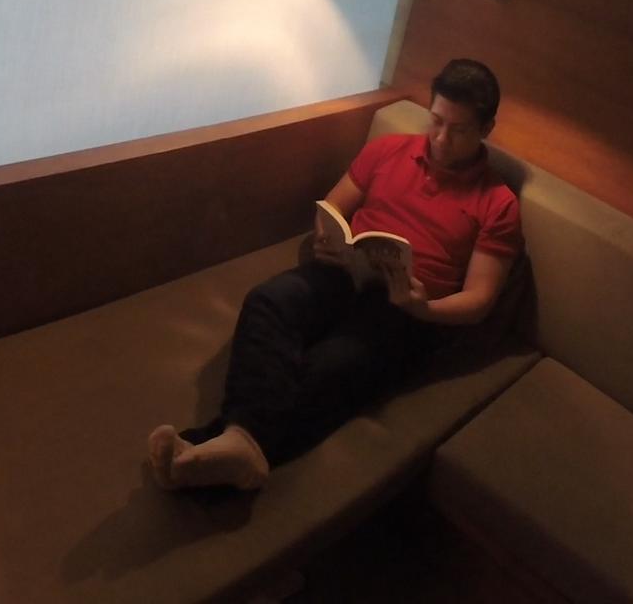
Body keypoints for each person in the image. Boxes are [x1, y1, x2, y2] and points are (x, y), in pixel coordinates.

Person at [147, 59, 523, 491]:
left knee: (333, 364)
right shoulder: (389, 150)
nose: (440, 138)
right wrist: (327, 238)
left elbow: (479, 300)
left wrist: (426, 307)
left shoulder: (497, 203)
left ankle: (207, 452)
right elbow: (333, 206)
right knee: (268, 301)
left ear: (485, 129)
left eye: (458, 130)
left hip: (407, 307)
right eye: (436, 121)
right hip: (347, 270)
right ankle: (230, 452)